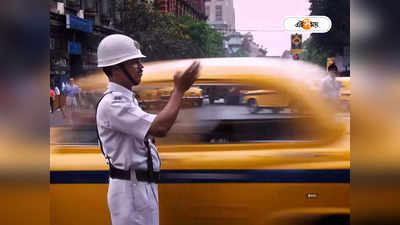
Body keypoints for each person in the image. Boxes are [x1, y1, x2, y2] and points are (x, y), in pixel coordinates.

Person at [96, 34, 200, 225]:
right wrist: (179, 90)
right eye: (134, 62)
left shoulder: (127, 99)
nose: (141, 66)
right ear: (116, 68)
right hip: (131, 190)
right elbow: (160, 127)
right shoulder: (113, 103)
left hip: (139, 186)